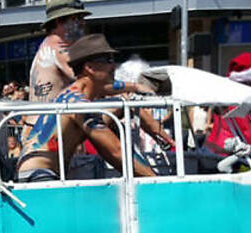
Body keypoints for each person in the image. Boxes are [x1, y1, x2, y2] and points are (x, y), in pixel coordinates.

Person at [18, 34, 154, 182]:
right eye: (107, 60)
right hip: (39, 176)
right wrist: (159, 182)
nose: (113, 66)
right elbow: (116, 151)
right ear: (89, 67)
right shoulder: (79, 105)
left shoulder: (71, 97)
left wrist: (137, 87)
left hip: (34, 172)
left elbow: (110, 152)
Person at [205, 52, 251, 169]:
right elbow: (245, 129)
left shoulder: (227, 92)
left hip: (217, 143)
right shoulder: (237, 97)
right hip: (227, 148)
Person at [29, 0, 90, 104]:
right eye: (78, 18)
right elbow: (93, 80)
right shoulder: (57, 49)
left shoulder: (49, 45)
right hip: (49, 118)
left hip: (48, 116)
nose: (83, 23)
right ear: (58, 21)